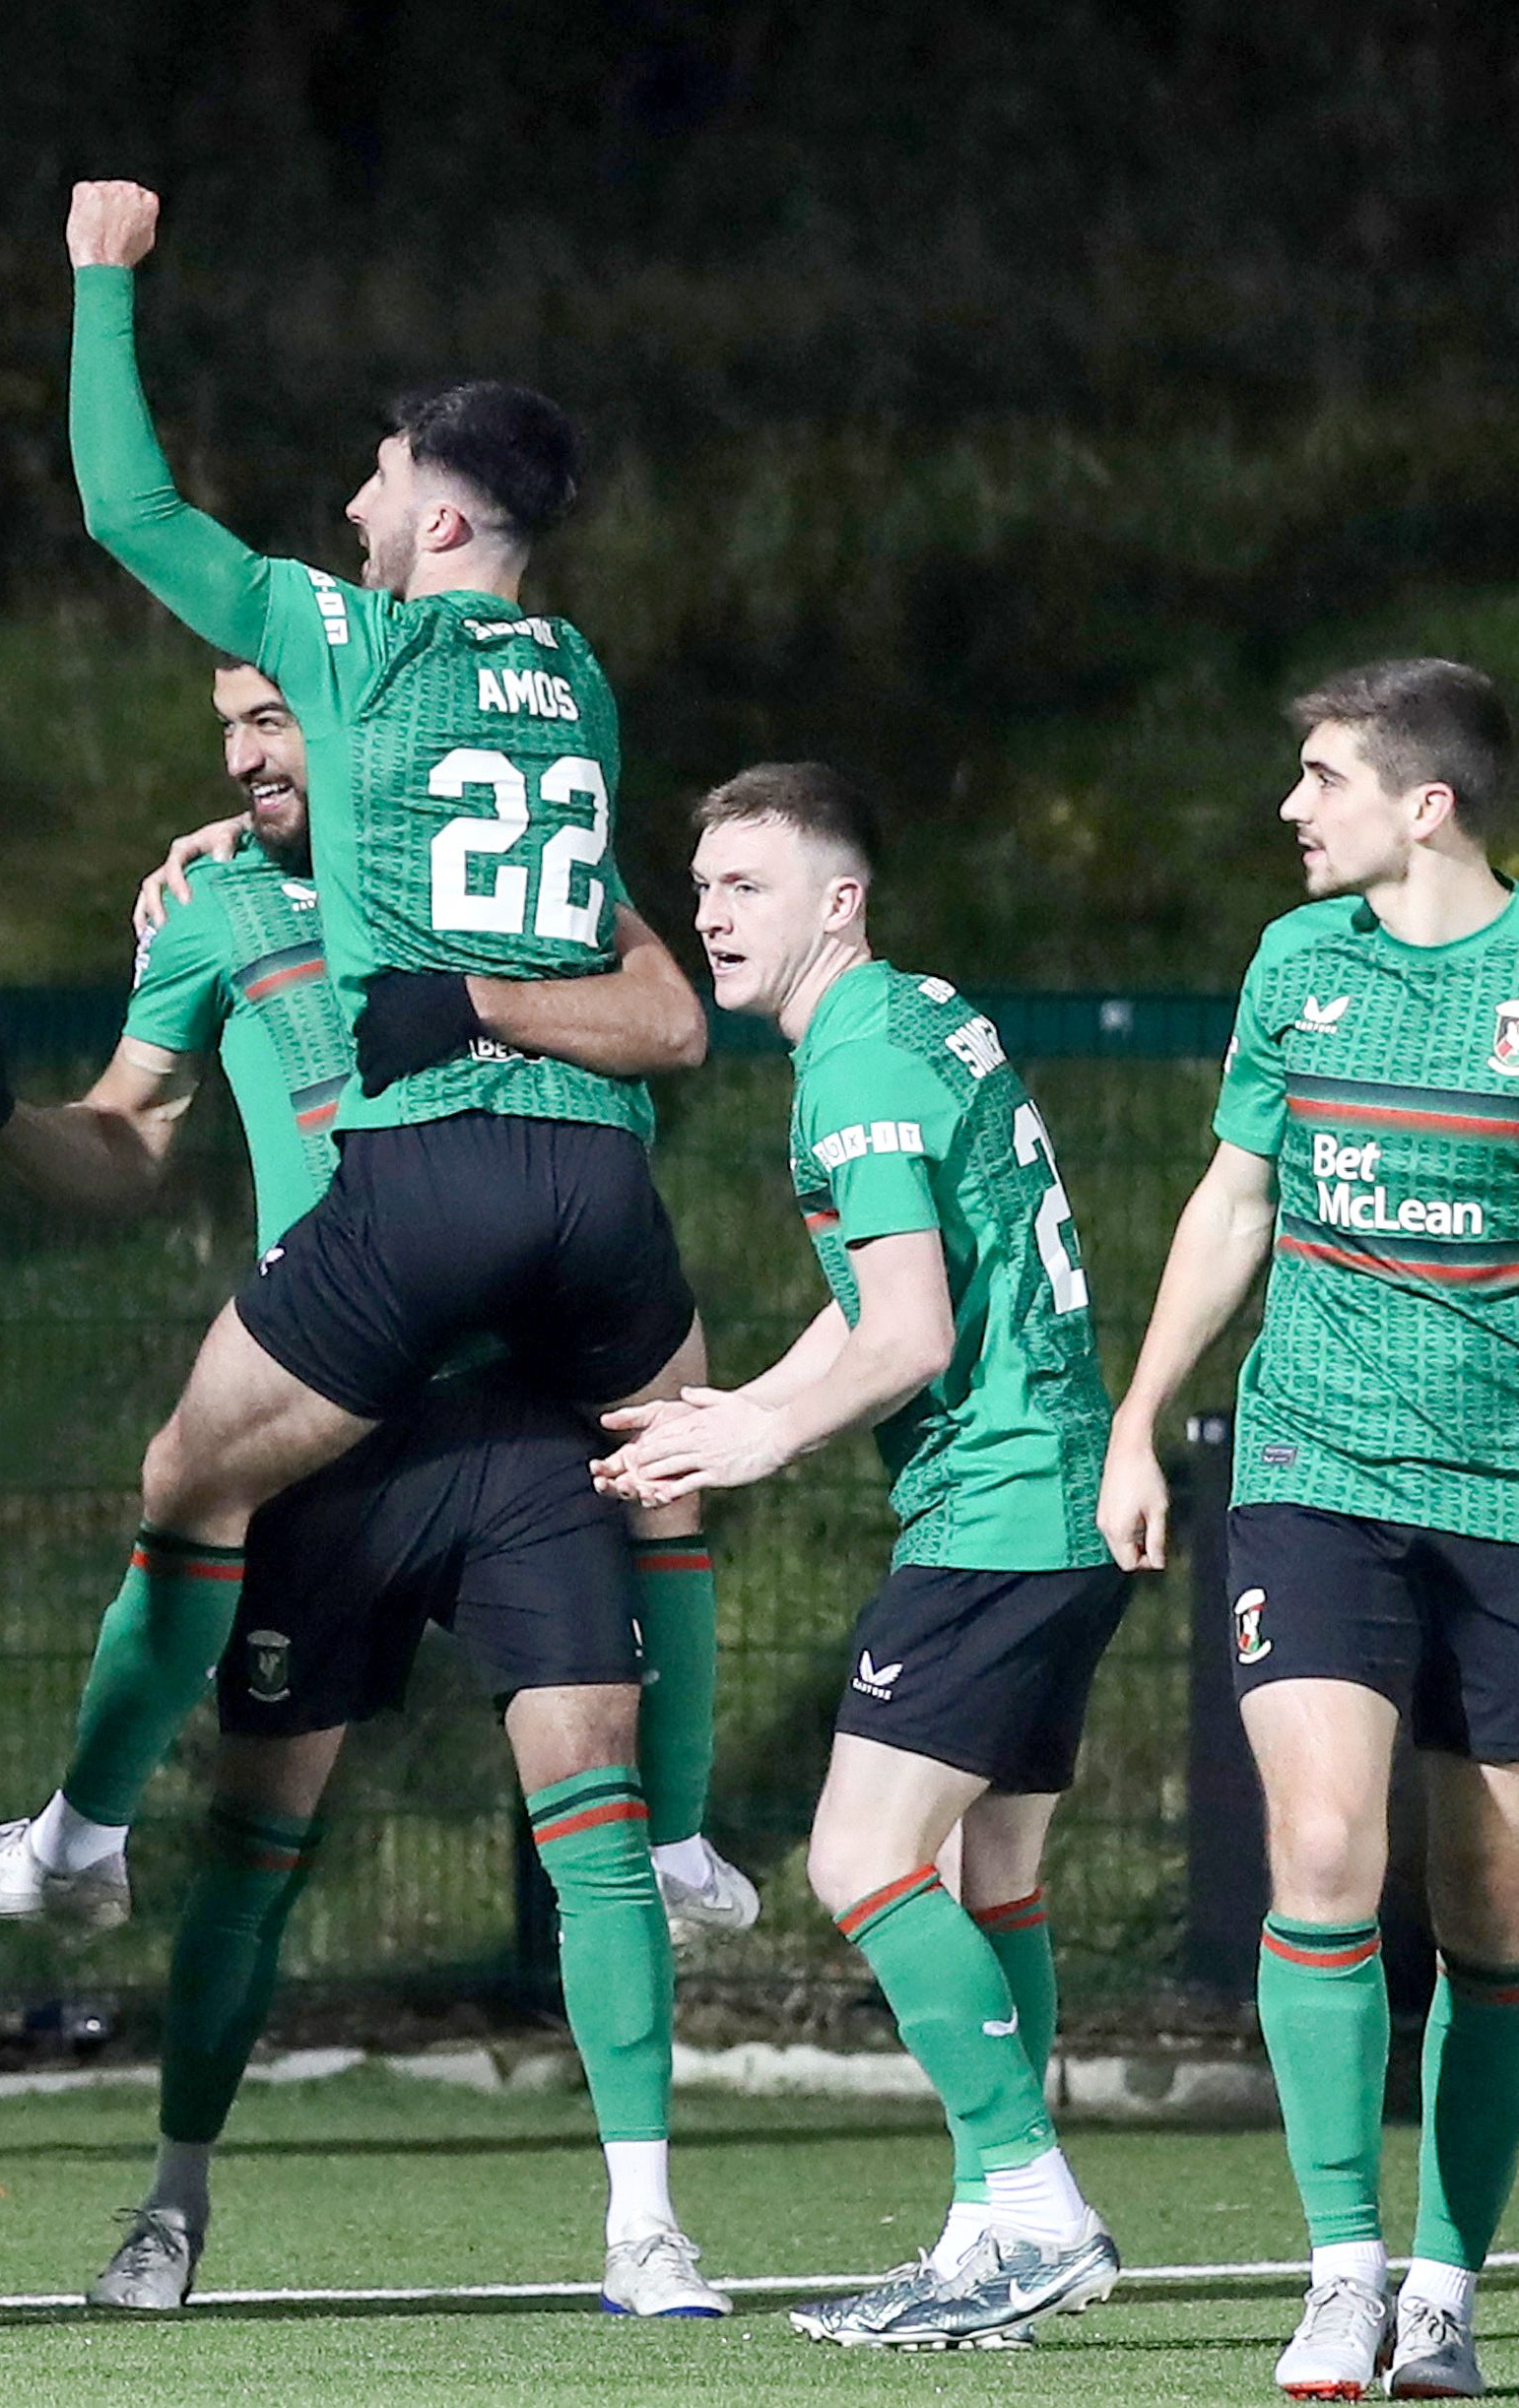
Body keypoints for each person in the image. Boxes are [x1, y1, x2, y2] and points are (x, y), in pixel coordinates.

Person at [0, 658, 725, 2317]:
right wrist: (7, 1118)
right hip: (332, 1426)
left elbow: (667, 1020)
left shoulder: (504, 860)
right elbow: (130, 1136)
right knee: (255, 1848)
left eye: (277, 718)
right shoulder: (211, 902)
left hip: (511, 1420)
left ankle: (647, 2223)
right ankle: (173, 2198)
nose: (246, 751)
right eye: (229, 726)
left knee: (598, 1808)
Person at [52, 181, 721, 1949]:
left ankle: (79, 1822)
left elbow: (127, 507)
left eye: (371, 479)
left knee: (192, 1472)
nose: (348, 507)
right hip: (598, 1169)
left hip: (431, 1169)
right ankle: (689, 1833)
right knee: (670, 1451)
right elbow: (472, 843)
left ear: (434, 513)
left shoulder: (350, 641)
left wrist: (100, 283)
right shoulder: (576, 677)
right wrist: (272, 820)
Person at [1094, 659, 1519, 2400]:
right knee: (1320, 1854)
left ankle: (1446, 2287)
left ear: (1425, 804)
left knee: (1496, 1910)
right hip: (1313, 1474)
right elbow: (1235, 1202)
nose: (1293, 808)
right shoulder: (1294, 963)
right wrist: (1138, 1416)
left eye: (1322, 777)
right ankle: (1338, 2269)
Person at [596, 764, 1124, 2348]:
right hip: (1066, 1495)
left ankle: (1031, 2198)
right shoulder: (910, 1016)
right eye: (699, 887)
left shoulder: (857, 1060)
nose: (708, 913)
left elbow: (910, 1330)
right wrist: (744, 1398)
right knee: (992, 1871)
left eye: (745, 886)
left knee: (858, 1858)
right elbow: (894, 1279)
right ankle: (990, 2231)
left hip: (998, 1503)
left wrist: (769, 1439)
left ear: (841, 899)